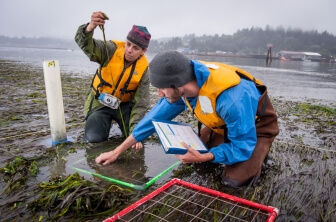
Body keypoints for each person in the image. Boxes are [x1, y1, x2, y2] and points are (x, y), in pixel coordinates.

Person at [96, 51, 279, 188]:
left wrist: (207, 156)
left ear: (176, 84)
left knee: (232, 181)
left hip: (256, 127)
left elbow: (242, 146)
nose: (159, 94)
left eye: (161, 88)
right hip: (221, 124)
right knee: (200, 161)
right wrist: (117, 151)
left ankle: (261, 152)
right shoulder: (184, 87)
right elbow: (153, 119)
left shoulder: (231, 100)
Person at [75, 11, 151, 147]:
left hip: (124, 106)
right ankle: (102, 123)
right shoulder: (110, 49)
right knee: (93, 139)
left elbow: (141, 104)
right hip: (100, 102)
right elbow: (87, 46)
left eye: (136, 48)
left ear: (143, 51)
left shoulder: (144, 70)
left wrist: (135, 134)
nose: (129, 50)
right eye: (128, 44)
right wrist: (89, 28)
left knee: (136, 140)